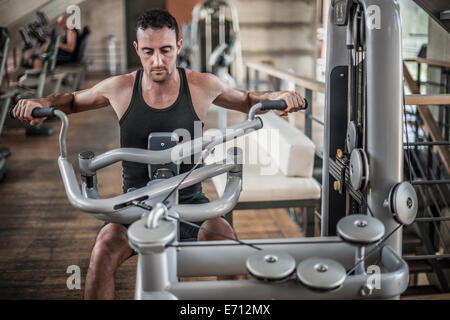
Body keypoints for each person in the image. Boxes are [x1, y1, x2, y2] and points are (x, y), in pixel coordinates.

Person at [12, 8, 306, 299]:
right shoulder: (121, 87)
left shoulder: (200, 84)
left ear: (178, 46)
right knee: (101, 252)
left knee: (228, 247)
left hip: (192, 205)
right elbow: (73, 101)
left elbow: (247, 100)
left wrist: (277, 97)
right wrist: (43, 100)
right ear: (136, 49)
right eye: (148, 52)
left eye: (166, 50)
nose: (157, 61)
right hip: (134, 206)